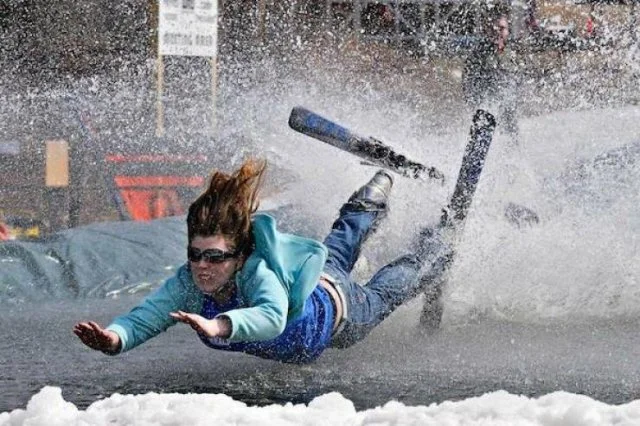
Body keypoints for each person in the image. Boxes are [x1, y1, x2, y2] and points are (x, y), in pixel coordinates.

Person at [73, 159, 452, 364]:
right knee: (336, 249)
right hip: (317, 279)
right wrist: (115, 338)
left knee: (385, 292)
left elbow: (272, 317)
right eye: (195, 254)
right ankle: (370, 198)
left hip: (340, 312)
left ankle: (433, 253)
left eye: (215, 257)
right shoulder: (189, 283)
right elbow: (147, 316)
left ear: (239, 256)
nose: (202, 266)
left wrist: (219, 325)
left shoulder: (256, 274)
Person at [461, 8, 521, 146]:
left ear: (508, 30)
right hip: (485, 106)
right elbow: (467, 81)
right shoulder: (478, 53)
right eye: (493, 28)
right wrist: (474, 103)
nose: (497, 32)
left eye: (502, 28)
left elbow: (520, 78)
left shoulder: (513, 53)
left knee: (510, 139)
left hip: (508, 109)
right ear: (487, 30)